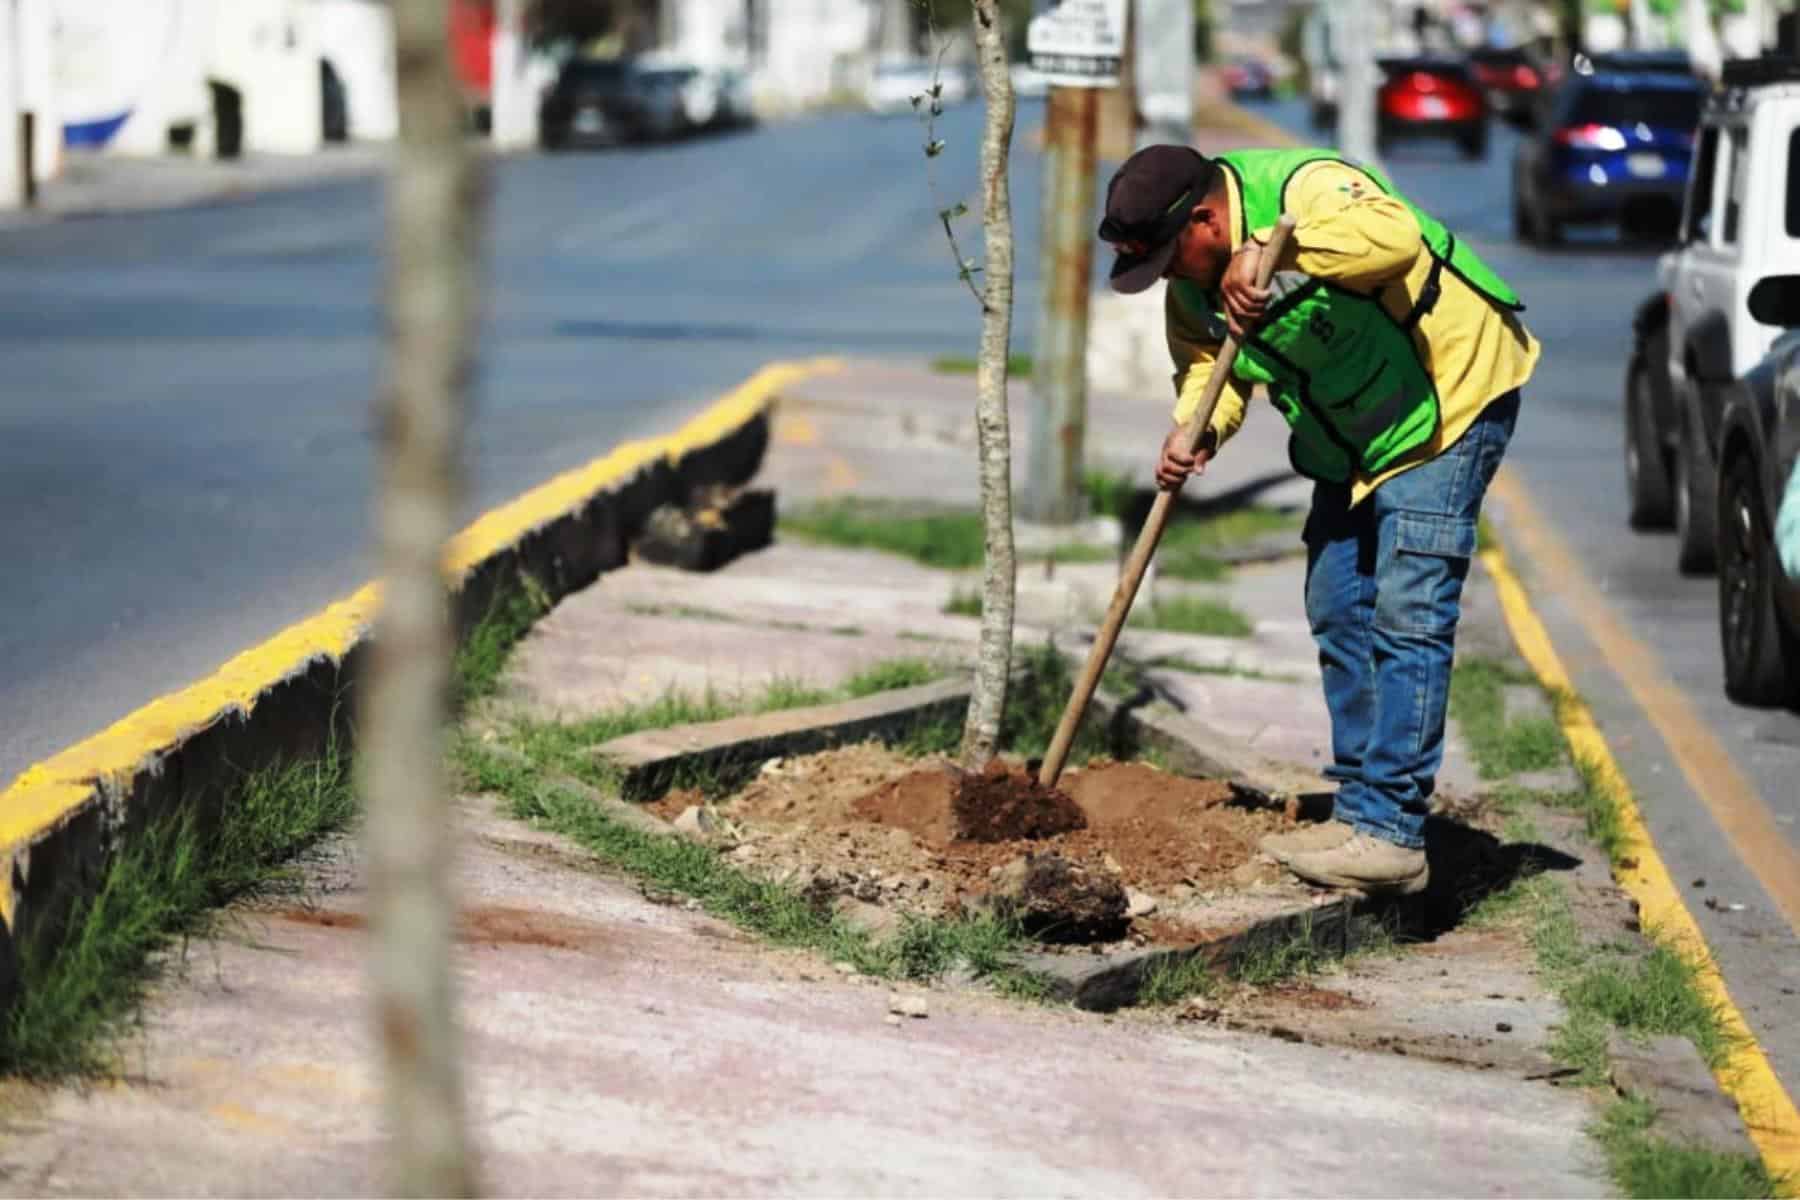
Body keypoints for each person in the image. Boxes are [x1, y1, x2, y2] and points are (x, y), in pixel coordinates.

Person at [1098, 144, 1539, 894]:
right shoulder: (1194, 286)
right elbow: (1213, 366)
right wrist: (1194, 429)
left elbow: (1394, 236)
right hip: (1350, 437)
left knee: (1408, 611)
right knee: (1339, 606)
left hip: (1449, 400)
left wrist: (1282, 247)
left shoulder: (1303, 187)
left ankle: (1395, 834)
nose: (1171, 274)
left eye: (1173, 255)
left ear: (1208, 219)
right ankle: (1362, 809)